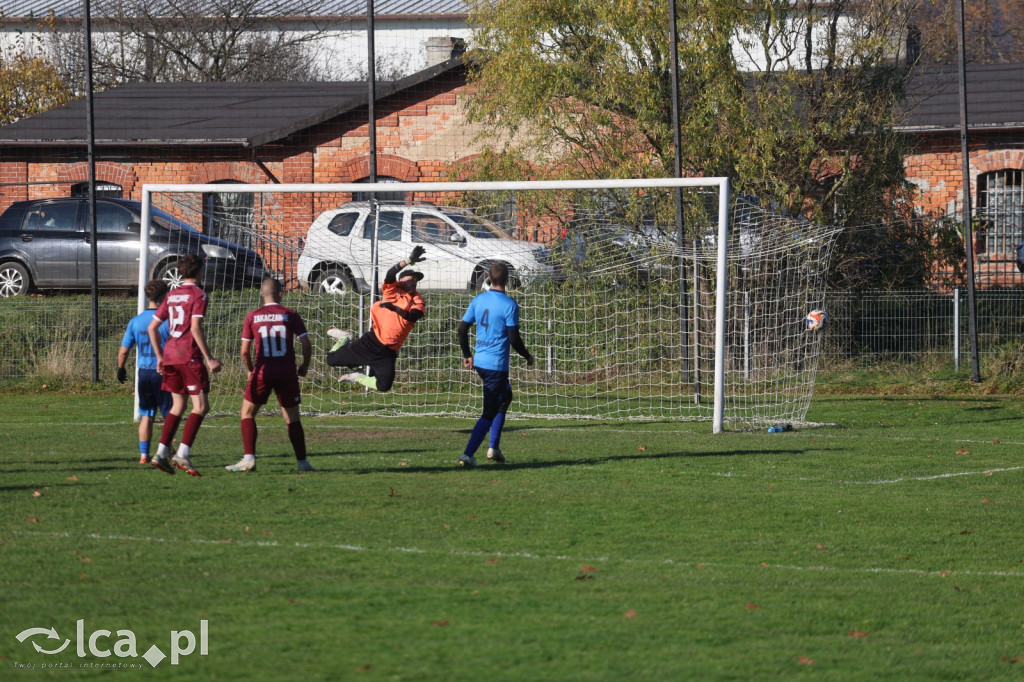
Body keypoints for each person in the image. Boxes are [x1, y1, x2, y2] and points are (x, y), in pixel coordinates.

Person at [228, 277, 314, 473]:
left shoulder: (252, 316)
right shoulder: (290, 314)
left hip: (263, 371)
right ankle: (302, 462)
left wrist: (250, 370)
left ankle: (249, 459)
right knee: (292, 418)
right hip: (286, 371)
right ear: (281, 294)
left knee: (247, 413)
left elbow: (244, 351)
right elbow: (306, 344)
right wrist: (304, 366)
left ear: (261, 294)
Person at [147, 253, 222, 476]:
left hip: (170, 355)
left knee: (178, 406)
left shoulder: (171, 295)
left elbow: (152, 328)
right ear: (199, 271)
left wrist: (160, 356)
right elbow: (195, 328)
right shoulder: (199, 295)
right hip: (188, 356)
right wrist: (209, 358)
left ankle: (160, 454)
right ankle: (182, 454)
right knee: (201, 407)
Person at [456, 262, 534, 467]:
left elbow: (462, 330)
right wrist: (527, 356)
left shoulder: (478, 299)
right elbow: (514, 338)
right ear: (507, 279)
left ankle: (494, 448)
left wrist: (467, 355)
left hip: (480, 362)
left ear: (489, 279)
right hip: (496, 366)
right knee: (489, 412)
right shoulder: (509, 305)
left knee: (505, 397)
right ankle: (468, 454)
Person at [326, 245, 427, 392]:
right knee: (331, 360)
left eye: (416, 280)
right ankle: (345, 338)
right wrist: (409, 260)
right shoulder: (393, 290)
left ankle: (357, 377)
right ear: (401, 281)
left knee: (384, 386)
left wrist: (395, 309)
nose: (414, 282)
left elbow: (413, 316)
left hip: (388, 352)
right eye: (411, 279)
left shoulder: (417, 299)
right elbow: (390, 273)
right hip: (370, 343)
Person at [117, 279, 172, 465]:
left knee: (147, 415)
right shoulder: (168, 320)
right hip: (164, 372)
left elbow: (124, 351)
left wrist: (121, 368)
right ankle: (165, 452)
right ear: (164, 297)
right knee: (169, 415)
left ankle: (143, 455)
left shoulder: (136, 321)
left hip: (144, 373)